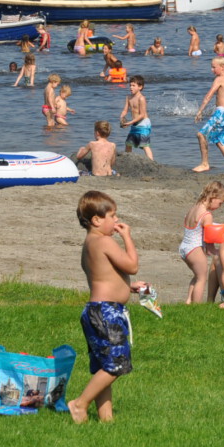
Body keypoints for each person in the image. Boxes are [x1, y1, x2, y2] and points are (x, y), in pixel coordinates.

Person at [69, 190, 145, 424]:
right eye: (113, 216)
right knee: (116, 364)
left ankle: (106, 418)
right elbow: (132, 266)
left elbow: (104, 276)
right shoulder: (104, 241)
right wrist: (128, 238)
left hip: (96, 311)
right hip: (106, 312)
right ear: (96, 220)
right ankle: (80, 404)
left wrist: (127, 288)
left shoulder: (89, 244)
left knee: (104, 366)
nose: (117, 221)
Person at [180, 180, 224, 304]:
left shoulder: (194, 208)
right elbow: (209, 237)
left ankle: (188, 301)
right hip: (195, 249)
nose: (220, 206)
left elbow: (198, 229)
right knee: (202, 278)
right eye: (220, 203)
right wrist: (214, 251)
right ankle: (197, 306)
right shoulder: (207, 215)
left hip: (184, 247)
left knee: (197, 276)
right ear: (213, 197)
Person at [193, 57, 224, 177]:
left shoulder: (220, 79)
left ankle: (205, 164)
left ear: (222, 67)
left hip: (221, 113)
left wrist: (200, 111)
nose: (212, 70)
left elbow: (209, 95)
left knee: (201, 134)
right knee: (220, 141)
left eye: (214, 67)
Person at [120, 75, 154, 160]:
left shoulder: (141, 98)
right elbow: (125, 110)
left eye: (133, 85)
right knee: (128, 143)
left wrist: (130, 123)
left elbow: (142, 115)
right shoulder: (129, 97)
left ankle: (152, 162)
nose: (131, 87)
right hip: (134, 123)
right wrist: (122, 116)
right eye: (130, 85)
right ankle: (127, 160)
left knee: (144, 144)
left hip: (143, 124)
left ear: (140, 87)